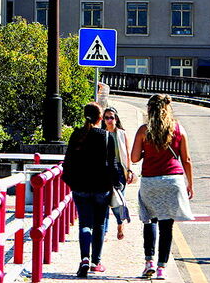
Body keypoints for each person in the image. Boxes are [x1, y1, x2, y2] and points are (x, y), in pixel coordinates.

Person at [131, 94, 194, 280]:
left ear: (149, 109)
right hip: (172, 180)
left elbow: (134, 158)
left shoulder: (144, 130)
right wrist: (190, 183)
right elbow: (187, 160)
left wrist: (146, 152)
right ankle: (161, 268)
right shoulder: (179, 129)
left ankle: (148, 262)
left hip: (150, 180)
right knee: (167, 226)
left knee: (149, 220)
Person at [62, 102, 119, 278]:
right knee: (99, 224)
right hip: (101, 187)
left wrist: (71, 182)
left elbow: (67, 162)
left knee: (84, 224)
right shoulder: (106, 136)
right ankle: (96, 262)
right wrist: (117, 184)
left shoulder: (76, 135)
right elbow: (113, 164)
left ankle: (84, 258)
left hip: (81, 187)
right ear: (100, 118)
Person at [103, 106, 135, 239]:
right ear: (103, 120)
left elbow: (127, 153)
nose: (109, 120)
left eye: (112, 117)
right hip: (104, 172)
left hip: (120, 172)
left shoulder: (121, 133)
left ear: (116, 118)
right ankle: (103, 232)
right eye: (107, 117)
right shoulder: (101, 133)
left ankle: (120, 222)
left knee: (118, 201)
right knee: (104, 202)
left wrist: (129, 170)